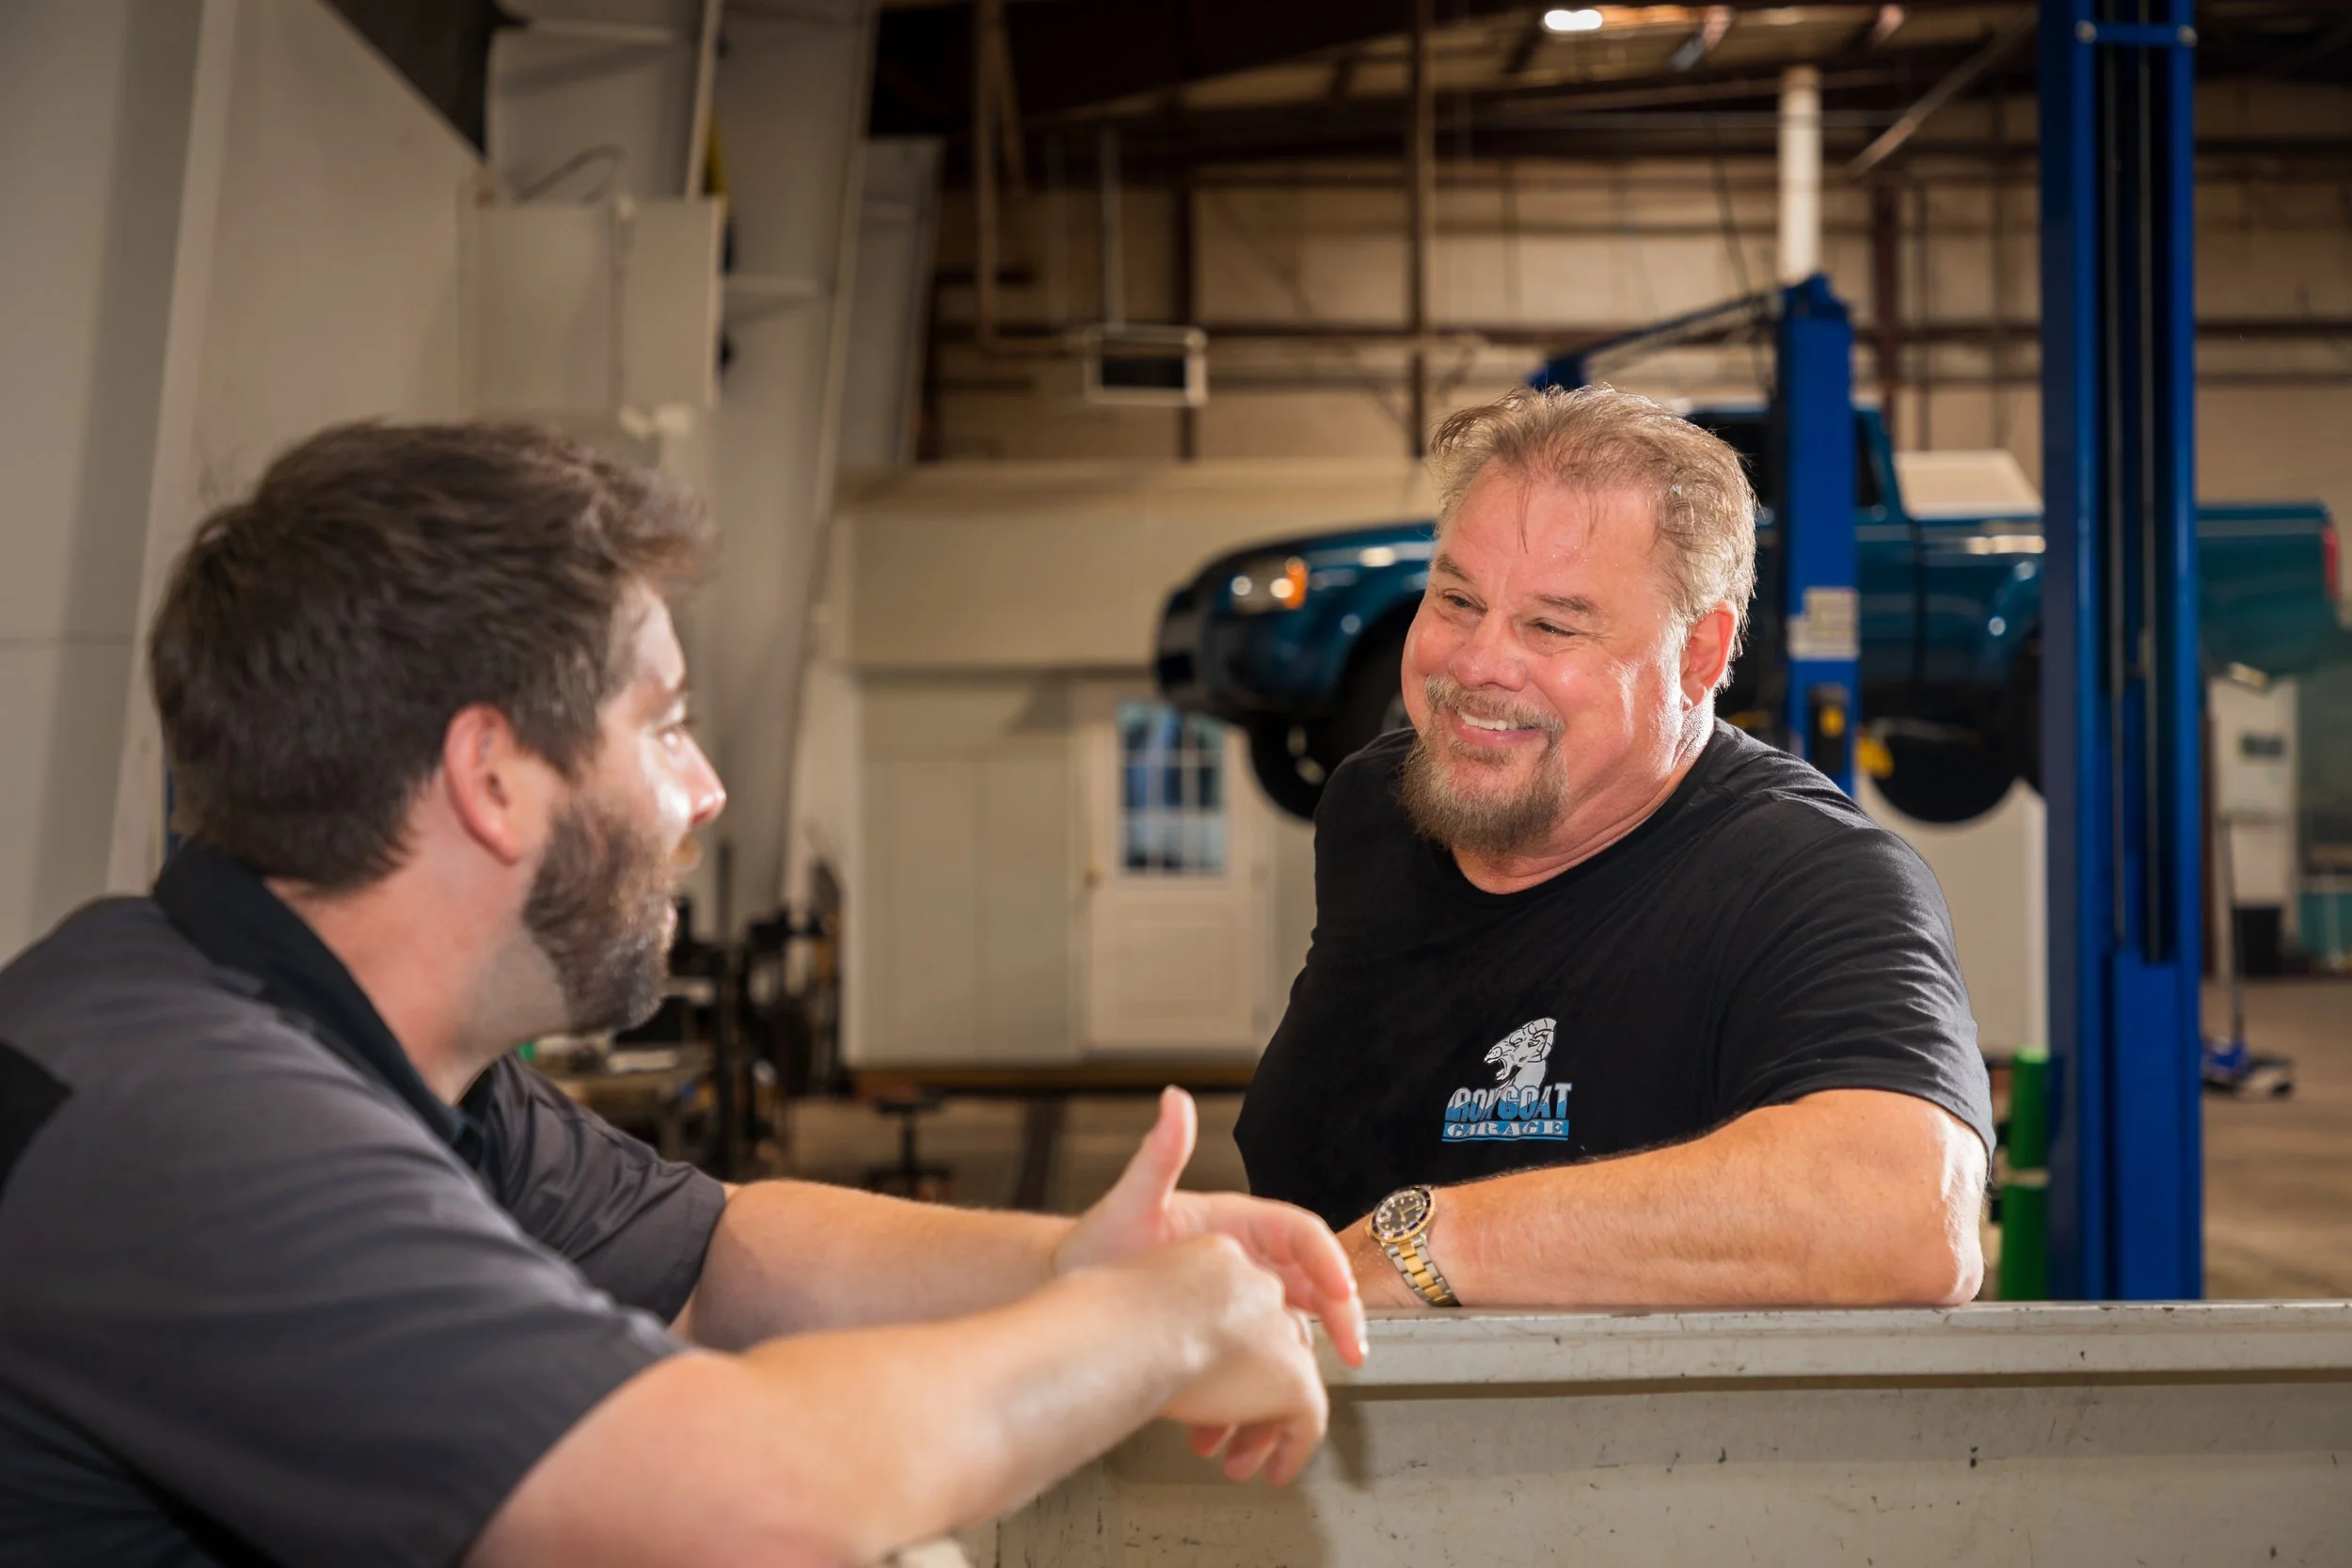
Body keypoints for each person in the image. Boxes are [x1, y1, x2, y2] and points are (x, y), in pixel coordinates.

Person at [0, 422, 1364, 1568]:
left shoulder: (358, 1047)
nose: (704, 788)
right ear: (493, 777)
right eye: (660, 722)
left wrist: (1072, 1262)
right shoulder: (176, 1128)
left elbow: (716, 1262)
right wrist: (1155, 1323)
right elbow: (746, 1499)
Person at [1235, 385, 1993, 1313]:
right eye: (1456, 598)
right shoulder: (1376, 809)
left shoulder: (1809, 878)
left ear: (1698, 655)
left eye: (1551, 624)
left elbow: (1906, 1217)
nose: (1475, 663)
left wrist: (1430, 1241)